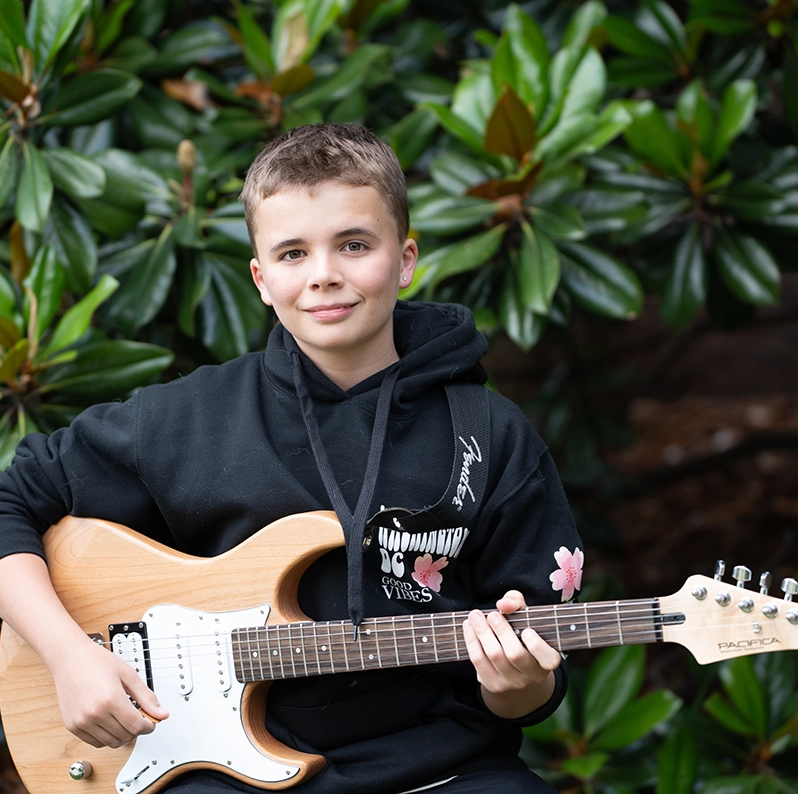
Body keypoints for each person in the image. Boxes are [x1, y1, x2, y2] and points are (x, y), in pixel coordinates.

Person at [0, 123, 583, 794]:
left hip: (442, 772)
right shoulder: (187, 418)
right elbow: (12, 499)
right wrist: (69, 656)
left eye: (355, 245)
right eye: (293, 253)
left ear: (405, 259)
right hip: (214, 770)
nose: (325, 275)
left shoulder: (489, 436)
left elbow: (535, 685)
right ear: (260, 277)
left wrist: (519, 683)